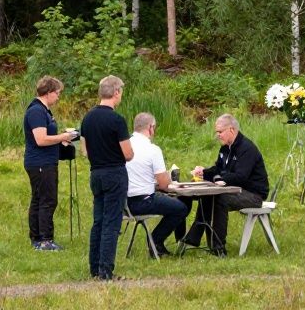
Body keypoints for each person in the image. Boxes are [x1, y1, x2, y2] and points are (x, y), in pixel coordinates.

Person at [183, 114, 268, 256]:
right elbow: (218, 169)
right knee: (207, 196)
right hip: (234, 190)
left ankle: (218, 248)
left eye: (220, 132)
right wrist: (203, 172)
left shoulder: (247, 148)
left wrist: (220, 178)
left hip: (254, 195)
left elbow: (240, 177)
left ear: (232, 130)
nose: (218, 135)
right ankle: (196, 237)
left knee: (220, 199)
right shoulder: (224, 149)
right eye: (217, 132)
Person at [80, 75, 133, 281]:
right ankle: (106, 271)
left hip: (96, 173)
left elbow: (84, 151)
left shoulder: (87, 118)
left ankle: (94, 268)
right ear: (116, 92)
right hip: (114, 173)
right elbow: (128, 153)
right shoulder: (116, 120)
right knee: (112, 223)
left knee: (98, 221)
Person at [23, 75, 76, 251]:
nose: (59, 97)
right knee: (47, 200)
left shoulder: (44, 111)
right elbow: (40, 139)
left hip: (45, 161)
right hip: (40, 163)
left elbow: (47, 138)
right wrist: (63, 136)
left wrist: (62, 141)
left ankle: (37, 238)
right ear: (49, 92)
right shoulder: (36, 111)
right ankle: (45, 240)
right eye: (58, 93)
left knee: (39, 199)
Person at [126, 112, 189, 258]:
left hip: (124, 203)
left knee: (172, 204)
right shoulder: (153, 150)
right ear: (151, 128)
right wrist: (167, 177)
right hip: (144, 201)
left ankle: (159, 242)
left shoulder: (125, 146)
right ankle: (155, 240)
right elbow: (164, 184)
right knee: (180, 208)